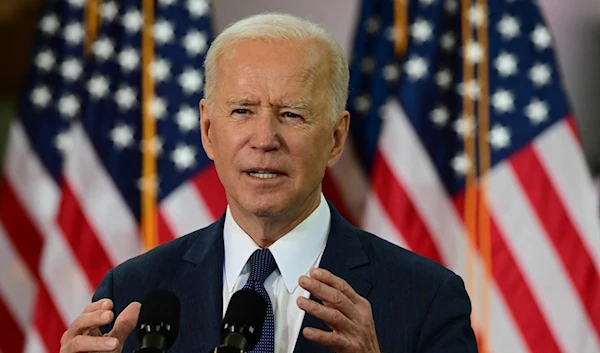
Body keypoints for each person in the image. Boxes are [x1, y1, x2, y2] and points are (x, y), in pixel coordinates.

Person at [59, 12, 478, 353]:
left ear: (335, 138)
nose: (264, 140)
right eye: (242, 111)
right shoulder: (133, 291)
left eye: (292, 115)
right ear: (208, 130)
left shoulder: (427, 300)